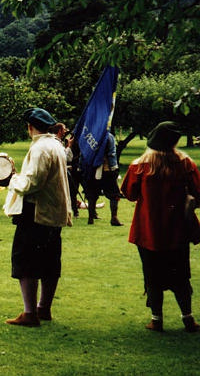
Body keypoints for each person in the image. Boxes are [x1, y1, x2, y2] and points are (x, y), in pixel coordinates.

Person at [120, 121, 200, 332]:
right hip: (177, 230)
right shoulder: (186, 164)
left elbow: (129, 193)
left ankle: (157, 319)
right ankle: (188, 318)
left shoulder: (140, 166)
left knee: (152, 275)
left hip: (148, 231)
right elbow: (198, 193)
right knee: (181, 275)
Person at [4, 107, 72, 327]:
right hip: (53, 212)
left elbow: (33, 182)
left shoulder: (41, 147)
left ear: (30, 126)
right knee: (50, 262)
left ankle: (30, 313)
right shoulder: (56, 145)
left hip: (36, 212)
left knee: (26, 262)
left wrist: (14, 180)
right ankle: (43, 308)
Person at [84, 132, 123, 226]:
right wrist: (114, 168)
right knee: (114, 195)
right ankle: (114, 217)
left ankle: (91, 218)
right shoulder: (108, 136)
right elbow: (111, 153)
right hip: (107, 170)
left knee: (92, 195)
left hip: (92, 169)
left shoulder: (89, 135)